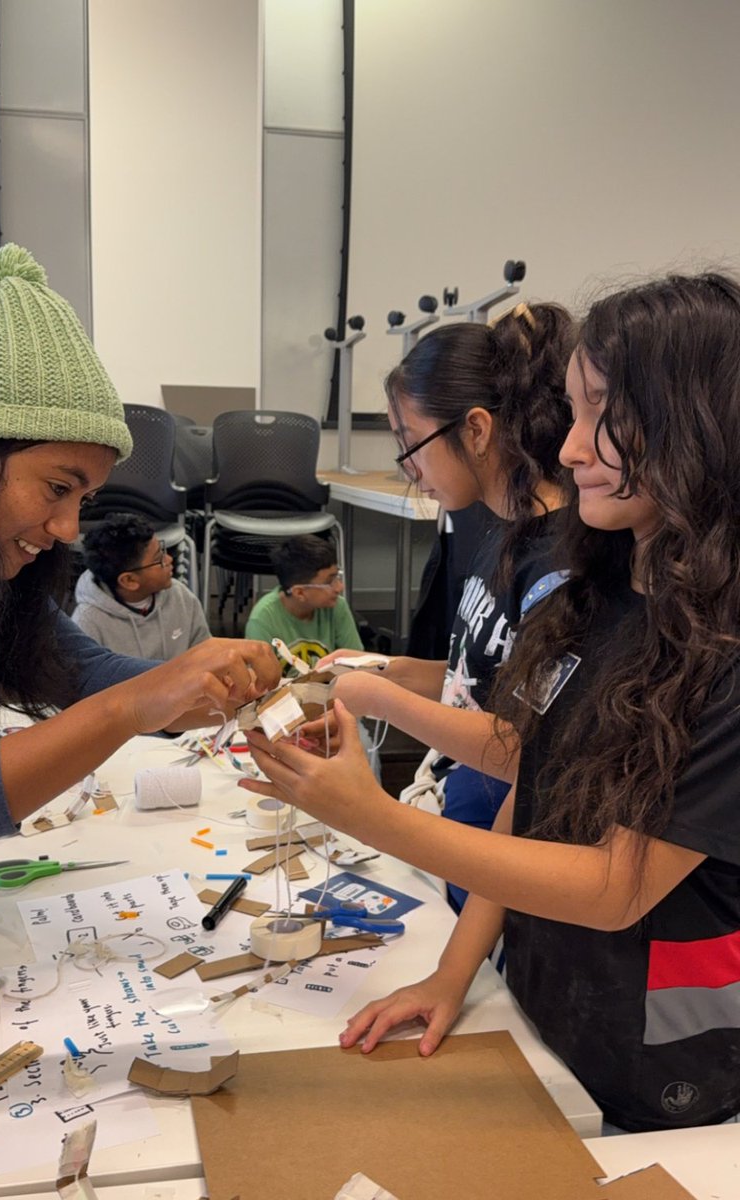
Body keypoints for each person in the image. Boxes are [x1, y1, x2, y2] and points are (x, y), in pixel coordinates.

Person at [242, 272, 740, 1133]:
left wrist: (374, 817)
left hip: (666, 1064)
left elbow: (616, 887)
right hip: (556, 1007)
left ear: (694, 424)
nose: (572, 448)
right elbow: (536, 792)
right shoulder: (606, 588)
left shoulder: (725, 648)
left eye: (601, 414)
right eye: (573, 412)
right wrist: (453, 972)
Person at [0, 243, 278, 889]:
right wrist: (130, 711)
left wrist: (211, 685)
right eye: (58, 488)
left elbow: (81, 669)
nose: (67, 529)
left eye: (84, 499)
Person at [313, 303, 575, 910]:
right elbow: (474, 682)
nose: (409, 469)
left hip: (502, 854)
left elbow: (519, 748)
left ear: (477, 431)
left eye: (412, 445)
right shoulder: (495, 529)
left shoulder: (559, 564)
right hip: (459, 819)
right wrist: (377, 670)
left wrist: (381, 699)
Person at [73, 512, 209, 660]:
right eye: (159, 559)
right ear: (129, 581)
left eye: (163, 550)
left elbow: (204, 651)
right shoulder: (87, 623)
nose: (169, 559)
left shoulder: (180, 596)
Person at [245, 534, 362, 668]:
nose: (340, 587)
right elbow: (260, 679)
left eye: (337, 577)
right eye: (330, 581)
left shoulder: (337, 606)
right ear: (299, 593)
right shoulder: (263, 619)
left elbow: (358, 664)